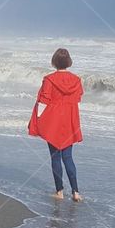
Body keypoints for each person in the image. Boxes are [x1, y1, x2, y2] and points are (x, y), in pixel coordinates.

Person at [28, 47, 83, 201]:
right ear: (69, 62)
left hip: (53, 121)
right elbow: (77, 98)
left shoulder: (49, 79)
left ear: (54, 62)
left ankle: (59, 192)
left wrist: (37, 120)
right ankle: (76, 192)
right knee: (68, 157)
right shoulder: (76, 80)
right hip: (69, 120)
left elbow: (44, 101)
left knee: (55, 157)